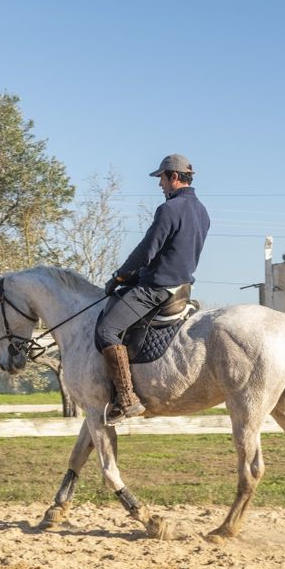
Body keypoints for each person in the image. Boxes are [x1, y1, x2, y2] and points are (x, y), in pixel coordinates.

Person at [97, 153, 210, 424]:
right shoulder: (202, 211)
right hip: (183, 287)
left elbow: (147, 251)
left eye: (161, 178)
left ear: (173, 176)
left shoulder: (169, 210)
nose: (160, 185)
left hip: (156, 289)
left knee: (106, 330)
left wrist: (121, 276)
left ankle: (126, 398)